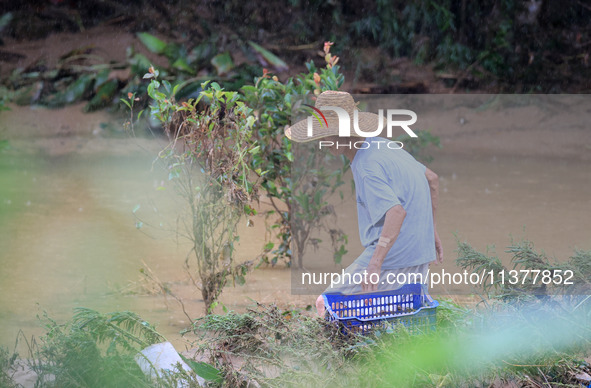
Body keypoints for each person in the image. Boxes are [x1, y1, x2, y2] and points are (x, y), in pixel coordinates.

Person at [285, 91, 443, 317]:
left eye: (327, 134)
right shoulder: (383, 145)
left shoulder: (366, 165)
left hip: (396, 254)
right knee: (393, 314)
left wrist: (375, 265)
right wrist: (432, 232)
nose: (322, 141)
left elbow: (396, 213)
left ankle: (334, 353)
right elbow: (432, 179)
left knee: (326, 304)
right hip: (420, 252)